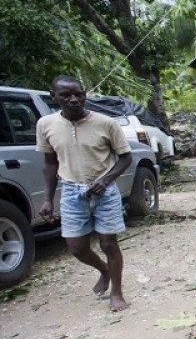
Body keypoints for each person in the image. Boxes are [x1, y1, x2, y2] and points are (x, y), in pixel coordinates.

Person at [37, 76, 133, 312]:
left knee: (109, 243)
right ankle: (104, 270)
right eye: (66, 95)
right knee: (77, 248)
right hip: (70, 190)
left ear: (85, 94)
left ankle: (117, 292)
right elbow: (50, 163)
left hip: (104, 190)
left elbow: (126, 158)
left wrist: (106, 180)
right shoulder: (46, 124)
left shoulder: (106, 123)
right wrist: (48, 199)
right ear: (54, 97)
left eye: (78, 94)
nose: (73, 99)